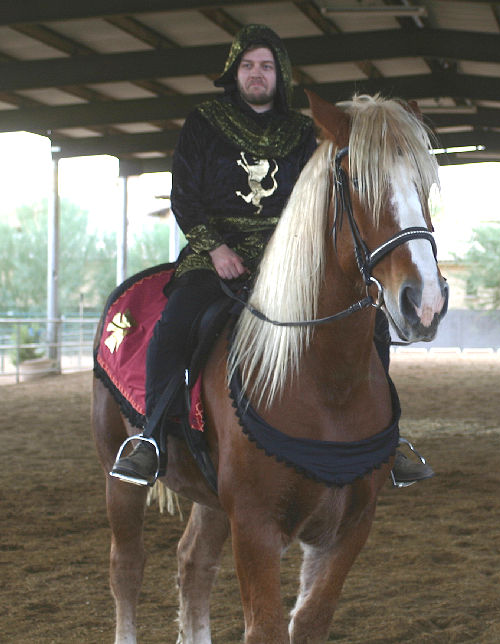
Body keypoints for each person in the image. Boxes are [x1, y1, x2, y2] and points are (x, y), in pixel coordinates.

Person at [110, 24, 432, 488]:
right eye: (247, 65)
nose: (256, 74)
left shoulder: (301, 132)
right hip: (214, 254)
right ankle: (152, 438)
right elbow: (185, 197)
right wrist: (216, 248)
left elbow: (316, 201)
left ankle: (388, 439)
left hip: (286, 257)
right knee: (176, 324)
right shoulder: (204, 122)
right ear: (234, 72)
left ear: (279, 74)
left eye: (265, 66)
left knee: (371, 323)